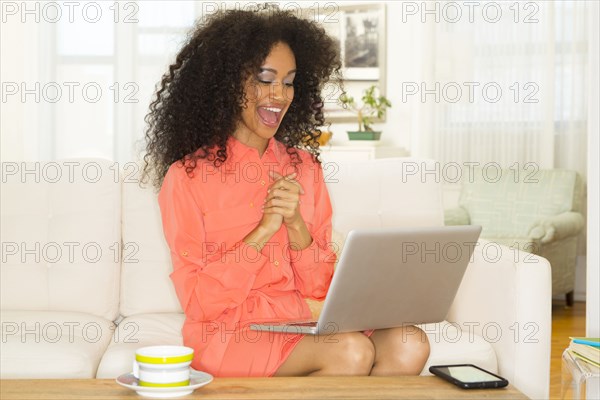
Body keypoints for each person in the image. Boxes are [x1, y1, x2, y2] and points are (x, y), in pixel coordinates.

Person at [142, 4, 430, 378]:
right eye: (265, 78)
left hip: (303, 322)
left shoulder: (305, 170)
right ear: (228, 83)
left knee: (411, 343)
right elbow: (200, 303)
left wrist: (296, 226)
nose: (279, 93)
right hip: (232, 335)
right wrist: (262, 231)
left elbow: (322, 288)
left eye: (289, 81)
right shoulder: (187, 178)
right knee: (349, 351)